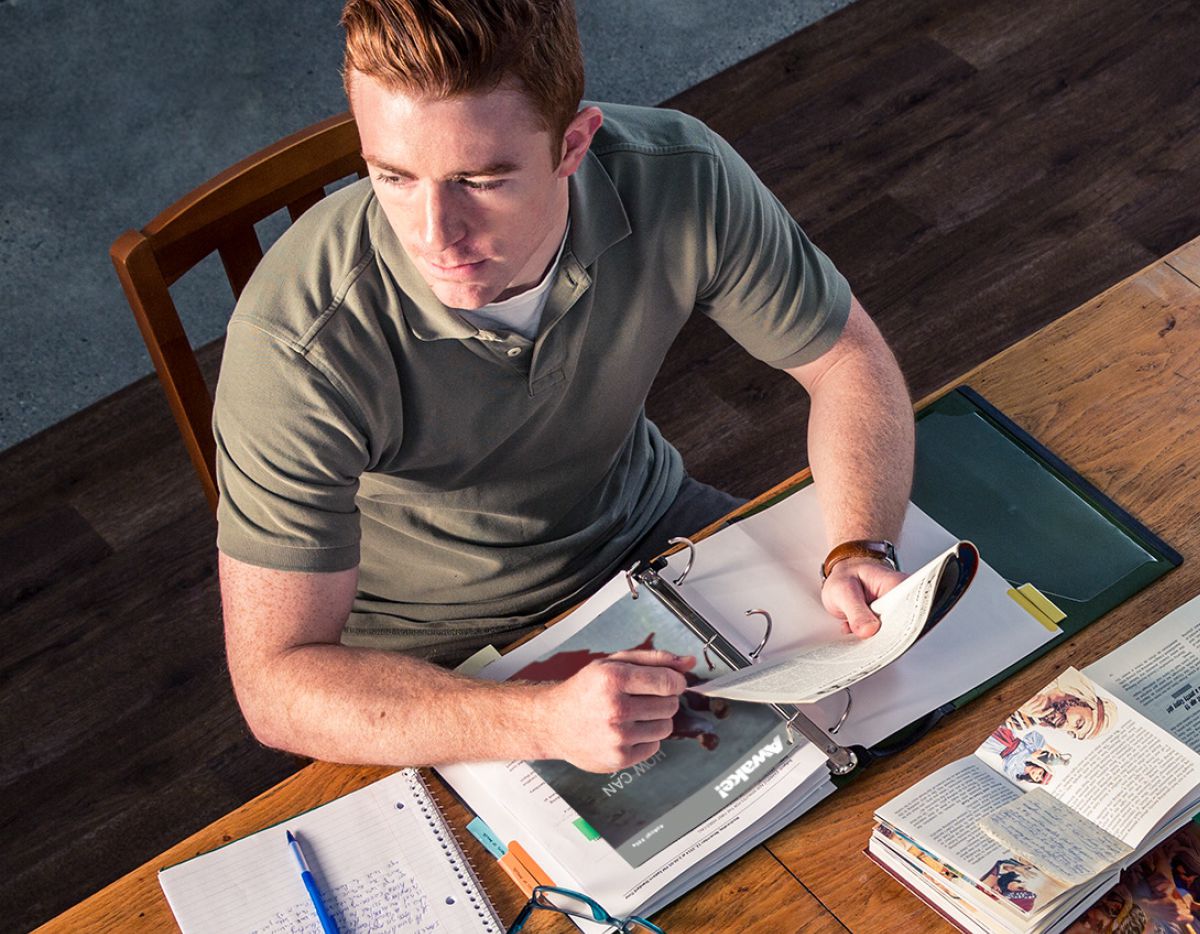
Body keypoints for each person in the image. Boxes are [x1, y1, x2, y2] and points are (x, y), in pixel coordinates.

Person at [213, 0, 914, 774]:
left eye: (479, 181)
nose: (433, 235)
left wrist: (858, 541)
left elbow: (845, 358)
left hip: (650, 532)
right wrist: (541, 721)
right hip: (435, 655)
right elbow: (276, 683)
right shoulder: (297, 342)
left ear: (574, 143)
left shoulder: (680, 175)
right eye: (393, 177)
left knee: (903, 729)